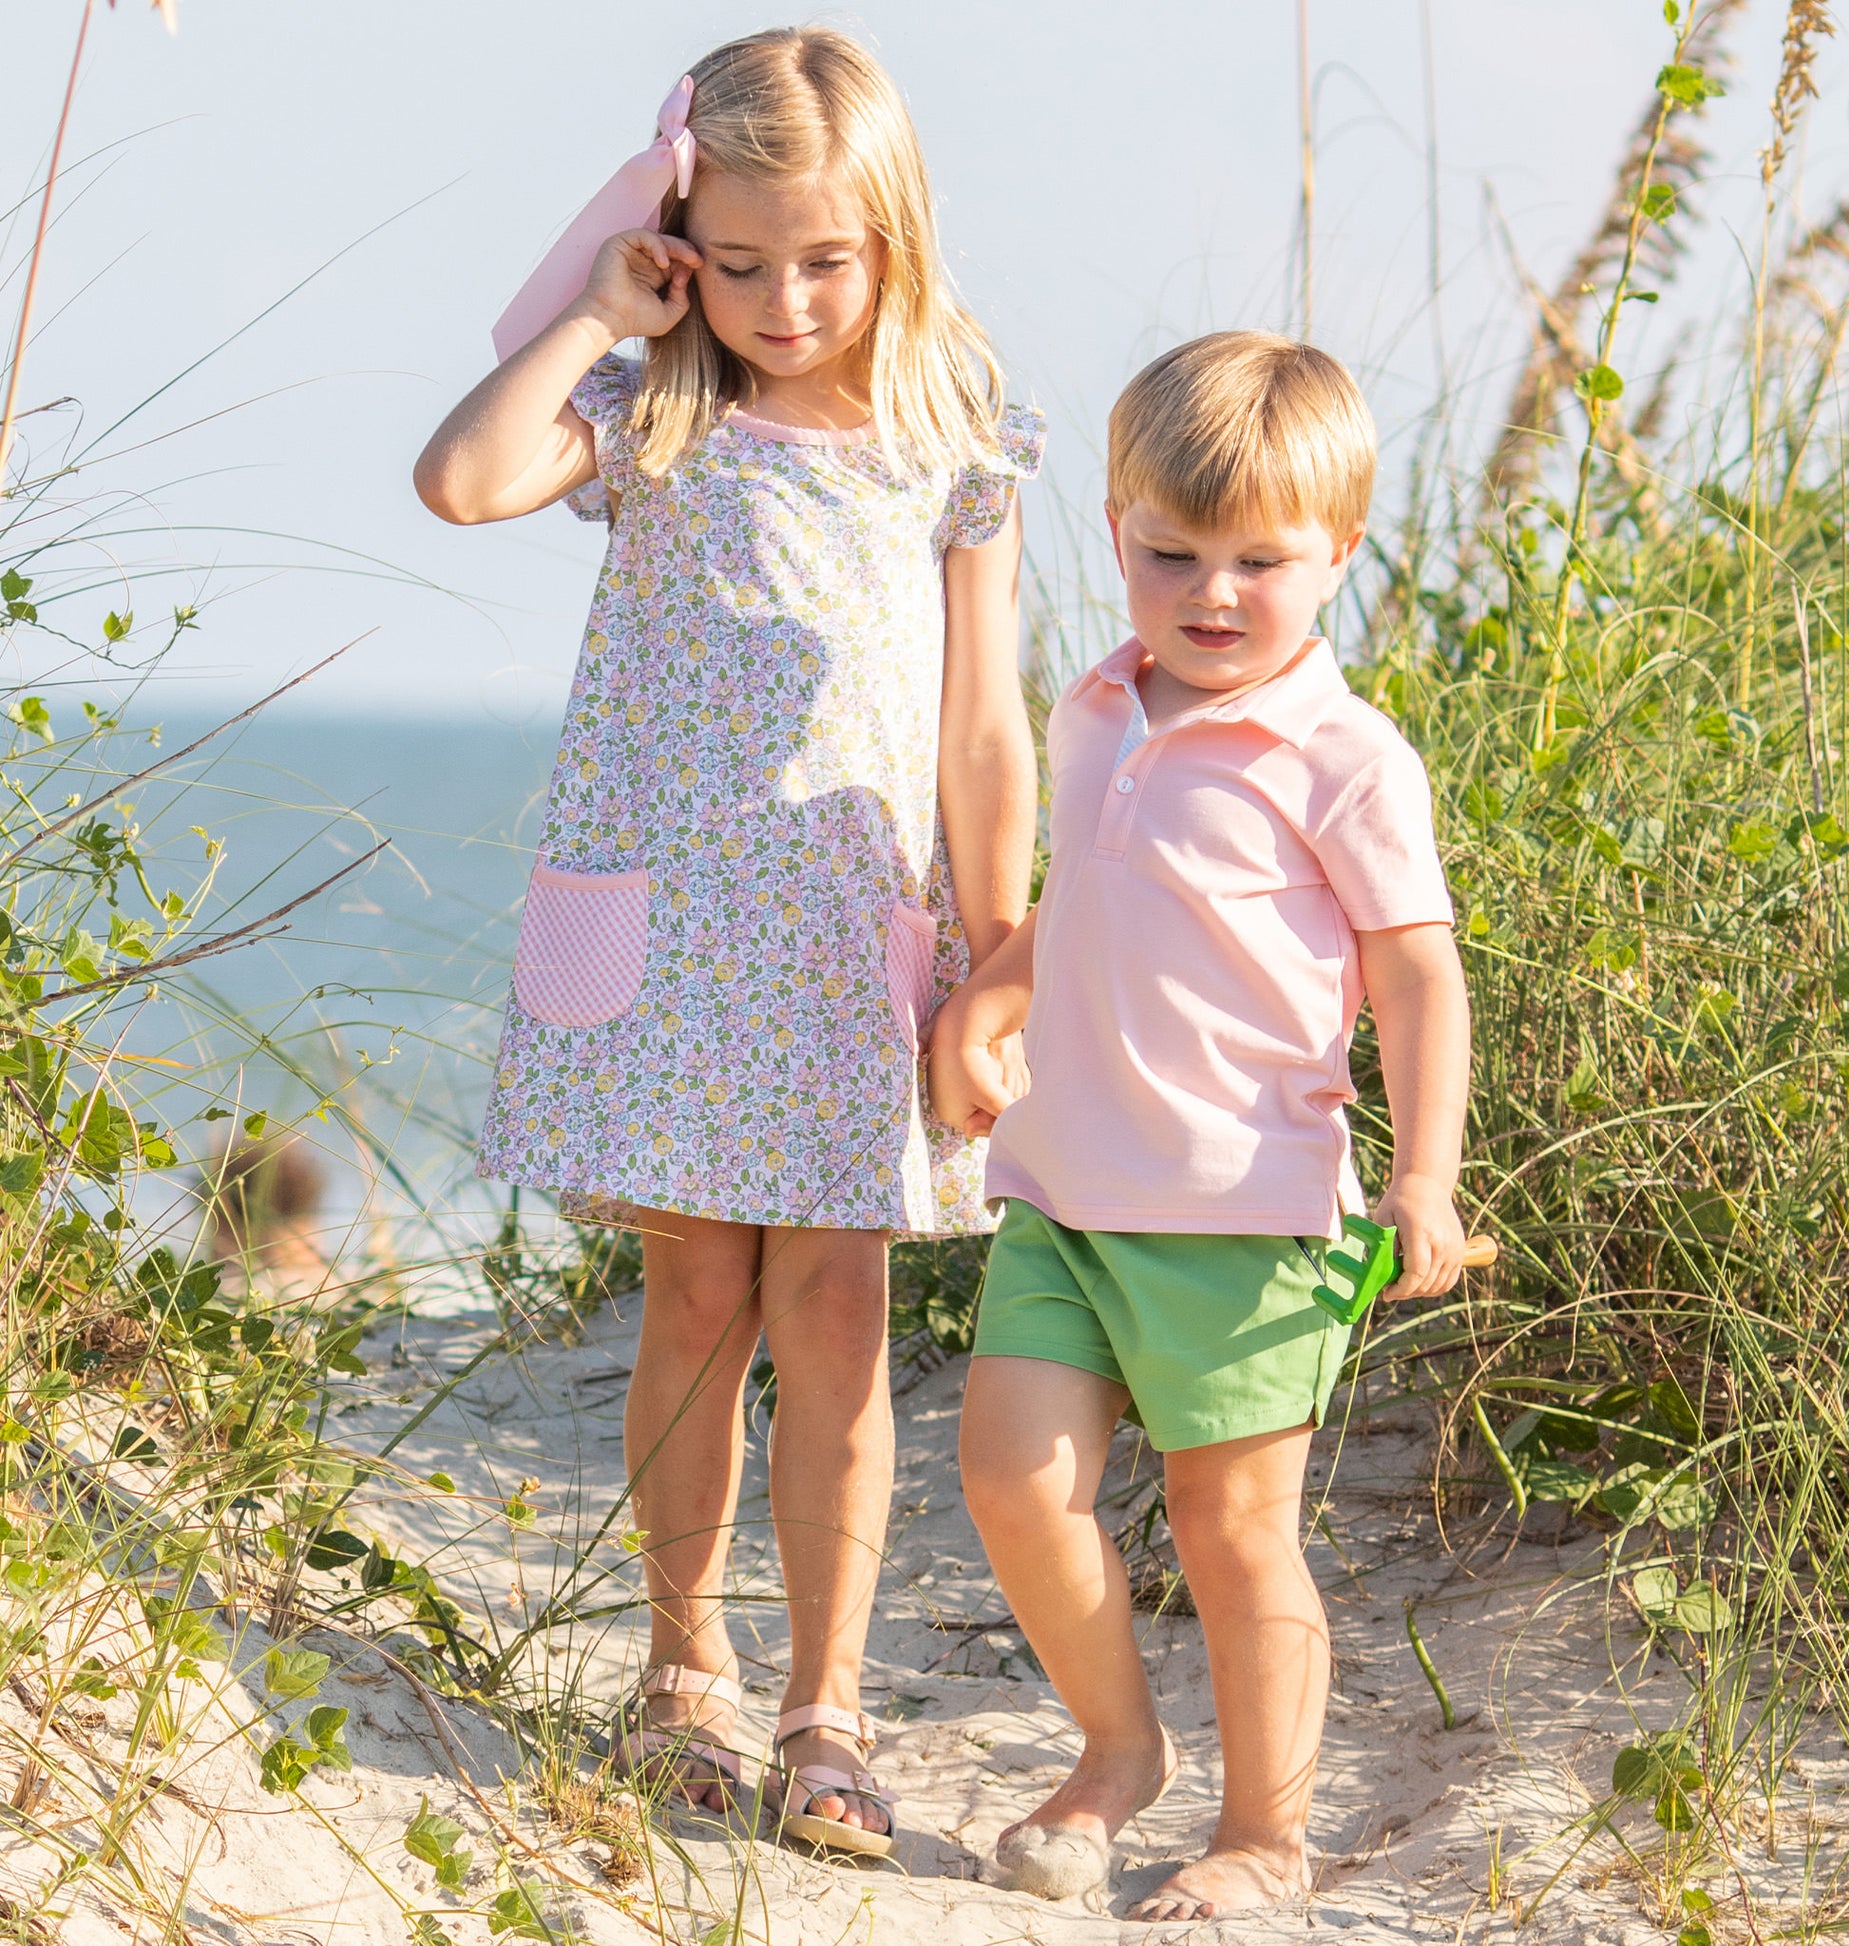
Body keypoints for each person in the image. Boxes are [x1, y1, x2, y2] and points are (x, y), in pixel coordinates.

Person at [414, 26, 1041, 1856]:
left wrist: (991, 953)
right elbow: (460, 482)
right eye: (740, 259)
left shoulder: (959, 432)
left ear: (895, 240)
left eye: (824, 262)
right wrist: (605, 307)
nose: (781, 299)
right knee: (696, 1290)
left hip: (854, 935)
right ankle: (683, 1661)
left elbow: (984, 727)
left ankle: (823, 1700)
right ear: (688, 235)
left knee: (837, 1308)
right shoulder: (655, 408)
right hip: (674, 938)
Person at [929, 331, 1471, 1918]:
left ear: (1339, 554)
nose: (1212, 592)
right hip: (1062, 1198)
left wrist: (1426, 1172)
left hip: (1246, 1214)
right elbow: (1081, 908)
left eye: (1260, 561)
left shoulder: (1342, 757)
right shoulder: (1097, 707)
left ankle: (1263, 1831)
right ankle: (1116, 1751)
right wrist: (989, 999)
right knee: (1011, 1480)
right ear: (1114, 532)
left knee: (1233, 1531)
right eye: (1171, 553)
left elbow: (1416, 974)